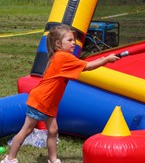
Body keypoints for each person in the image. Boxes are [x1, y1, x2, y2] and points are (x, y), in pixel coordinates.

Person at [1, 24, 120, 163]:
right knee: (26, 130)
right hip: (41, 100)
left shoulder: (62, 56)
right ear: (58, 43)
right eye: (69, 40)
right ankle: (10, 159)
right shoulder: (63, 57)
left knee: (53, 131)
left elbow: (85, 63)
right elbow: (87, 67)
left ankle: (53, 159)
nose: (73, 43)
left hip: (49, 103)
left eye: (74, 40)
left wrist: (104, 58)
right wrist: (106, 60)